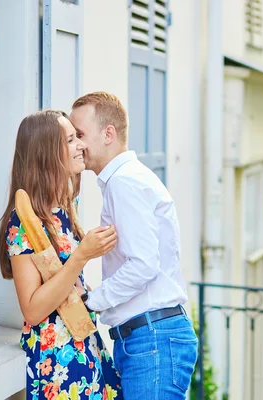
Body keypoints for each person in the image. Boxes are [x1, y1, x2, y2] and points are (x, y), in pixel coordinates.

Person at [70, 92, 198, 399]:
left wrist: (91, 301)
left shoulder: (124, 182)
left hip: (151, 340)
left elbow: (143, 265)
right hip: (148, 339)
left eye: (80, 134)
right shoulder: (126, 179)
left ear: (109, 134)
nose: (76, 144)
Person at [0, 110, 123, 400]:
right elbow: (33, 309)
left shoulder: (63, 209)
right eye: (70, 140)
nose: (80, 145)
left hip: (84, 346)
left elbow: (65, 282)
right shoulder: (23, 221)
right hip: (57, 363)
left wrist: (87, 292)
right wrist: (82, 256)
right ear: (46, 154)